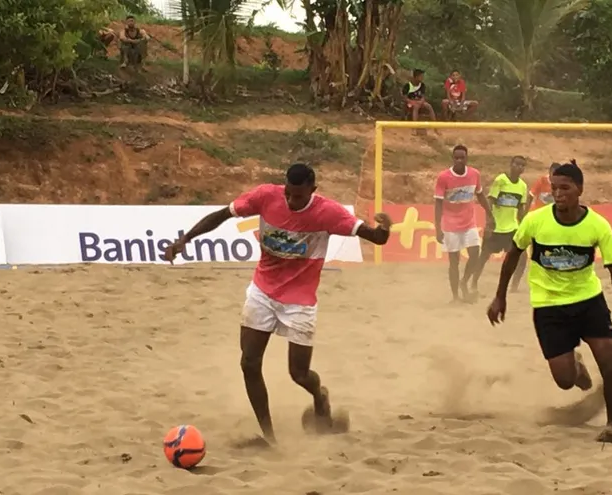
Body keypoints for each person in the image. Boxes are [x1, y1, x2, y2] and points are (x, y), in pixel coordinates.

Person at [162, 163, 393, 444]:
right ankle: (268, 436)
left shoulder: (329, 213)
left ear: (313, 190)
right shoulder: (265, 197)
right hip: (262, 292)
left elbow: (376, 238)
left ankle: (320, 396)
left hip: (300, 302)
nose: (291, 200)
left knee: (299, 374)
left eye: (298, 196)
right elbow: (222, 215)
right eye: (288, 194)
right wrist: (185, 239)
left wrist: (385, 227)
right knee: (249, 362)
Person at [486, 161, 612, 444]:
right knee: (565, 380)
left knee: (610, 364)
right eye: (554, 188)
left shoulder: (598, 224)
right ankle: (576, 365)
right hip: (549, 307)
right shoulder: (535, 221)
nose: (558, 193)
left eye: (565, 188)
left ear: (579, 189)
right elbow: (513, 255)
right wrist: (500, 296)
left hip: (589, 302)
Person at [434, 144, 492, 303]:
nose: (459, 160)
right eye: (456, 158)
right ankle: (455, 296)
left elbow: (480, 195)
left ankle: (464, 281)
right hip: (450, 225)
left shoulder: (474, 174)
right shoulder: (444, 177)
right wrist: (438, 228)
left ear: (467, 158)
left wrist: (489, 213)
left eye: (462, 157)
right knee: (454, 261)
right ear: (452, 159)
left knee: (475, 254)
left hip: (469, 223)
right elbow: (438, 203)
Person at [471, 156, 528, 293]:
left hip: (512, 228)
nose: (519, 167)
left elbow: (520, 209)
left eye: (522, 165)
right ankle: (473, 283)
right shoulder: (500, 180)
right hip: (497, 227)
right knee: (484, 256)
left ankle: (514, 286)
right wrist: (489, 223)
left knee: (522, 257)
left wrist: (523, 227)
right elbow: (490, 202)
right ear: (511, 164)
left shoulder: (523, 186)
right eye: (516, 164)